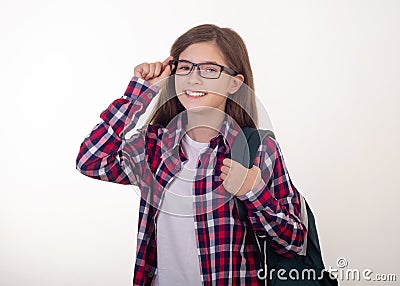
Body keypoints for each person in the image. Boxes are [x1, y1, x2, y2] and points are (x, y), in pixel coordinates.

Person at [76, 24, 307, 286]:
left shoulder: (258, 148)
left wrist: (252, 191)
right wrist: (140, 92)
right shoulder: (152, 146)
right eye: (184, 68)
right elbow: (90, 161)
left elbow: (293, 242)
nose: (194, 79)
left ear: (234, 83)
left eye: (210, 70)